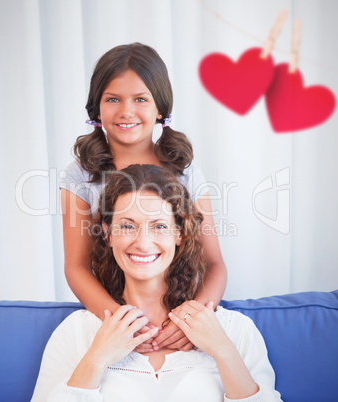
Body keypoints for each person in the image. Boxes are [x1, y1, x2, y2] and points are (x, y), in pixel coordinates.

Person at [32, 165, 281, 401]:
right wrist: (96, 358)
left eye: (160, 226)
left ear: (179, 233)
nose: (142, 242)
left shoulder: (236, 330)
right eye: (128, 226)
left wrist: (224, 351)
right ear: (107, 233)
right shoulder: (75, 333)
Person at [60, 42, 227, 352]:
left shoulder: (185, 171)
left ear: (160, 107)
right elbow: (76, 267)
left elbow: (215, 263)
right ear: (97, 107)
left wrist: (192, 320)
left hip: (182, 317)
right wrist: (124, 324)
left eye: (140, 99)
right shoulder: (79, 176)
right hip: (115, 318)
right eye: (113, 99)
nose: (126, 111)